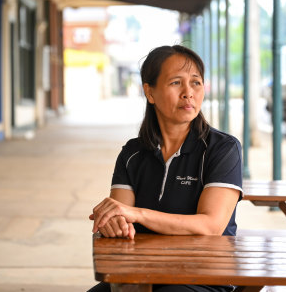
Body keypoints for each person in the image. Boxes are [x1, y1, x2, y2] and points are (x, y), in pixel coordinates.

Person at [88, 45, 243, 292]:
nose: (188, 93)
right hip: (142, 270)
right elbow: (119, 217)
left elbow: (211, 226)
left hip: (203, 276)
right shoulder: (132, 154)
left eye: (196, 83)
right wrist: (113, 221)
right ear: (149, 92)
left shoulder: (222, 149)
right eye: (175, 83)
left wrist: (137, 214)